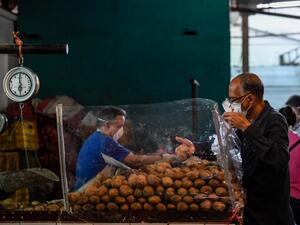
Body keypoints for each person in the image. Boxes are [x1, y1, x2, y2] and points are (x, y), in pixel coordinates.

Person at [223, 73, 294, 225]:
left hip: (271, 215)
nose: (230, 105)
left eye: (233, 100)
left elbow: (279, 157)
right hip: (250, 210)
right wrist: (195, 148)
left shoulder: (274, 120)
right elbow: (230, 147)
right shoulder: (246, 121)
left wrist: (246, 127)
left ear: (249, 99)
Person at [74, 106, 194, 190]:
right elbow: (134, 160)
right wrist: (168, 158)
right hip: (86, 191)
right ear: (107, 125)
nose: (122, 130)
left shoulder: (96, 137)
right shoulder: (105, 141)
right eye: (119, 126)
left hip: (85, 186)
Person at [279, 106, 300, 225]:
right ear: (295, 121)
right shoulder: (298, 142)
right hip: (297, 198)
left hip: (277, 197)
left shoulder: (270, 142)